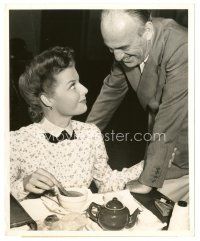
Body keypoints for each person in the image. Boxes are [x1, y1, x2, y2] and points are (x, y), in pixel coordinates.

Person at [10, 46, 144, 201]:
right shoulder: (17, 141)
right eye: (72, 85)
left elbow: (106, 183)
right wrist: (23, 184)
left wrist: (149, 164)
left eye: (79, 82)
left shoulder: (91, 134)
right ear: (47, 99)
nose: (85, 89)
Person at [86, 10, 188, 202]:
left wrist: (147, 181)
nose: (116, 57)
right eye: (110, 49)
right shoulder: (126, 46)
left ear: (147, 31)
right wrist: (83, 136)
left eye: (123, 47)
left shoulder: (182, 46)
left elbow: (169, 119)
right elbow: (110, 93)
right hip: (160, 143)